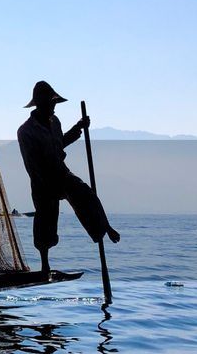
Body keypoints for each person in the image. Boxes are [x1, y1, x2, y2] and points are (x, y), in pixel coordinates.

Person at [17, 81, 120, 275]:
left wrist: (78, 128)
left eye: (54, 103)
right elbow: (32, 163)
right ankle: (44, 265)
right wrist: (46, 183)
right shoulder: (26, 131)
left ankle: (104, 228)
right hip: (41, 180)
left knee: (85, 193)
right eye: (51, 103)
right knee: (45, 219)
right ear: (40, 104)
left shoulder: (55, 122)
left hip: (61, 172)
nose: (54, 107)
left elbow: (60, 144)